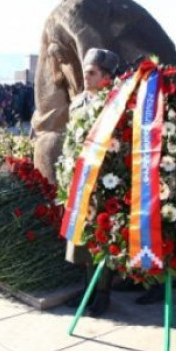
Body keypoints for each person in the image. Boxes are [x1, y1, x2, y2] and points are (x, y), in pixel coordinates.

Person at [64, 48, 119, 317]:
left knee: (103, 237)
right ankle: (87, 288)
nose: (86, 77)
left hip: (106, 179)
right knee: (83, 238)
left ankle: (103, 292)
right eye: (85, 72)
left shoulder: (116, 105)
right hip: (81, 180)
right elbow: (70, 141)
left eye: (92, 73)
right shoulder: (77, 103)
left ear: (106, 77)